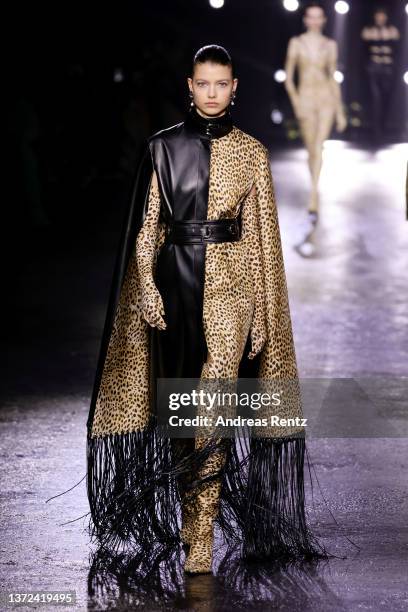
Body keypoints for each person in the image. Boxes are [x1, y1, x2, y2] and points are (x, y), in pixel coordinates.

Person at [85, 44, 328, 575]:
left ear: (235, 86)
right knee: (180, 413)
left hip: (232, 287)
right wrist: (146, 285)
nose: (213, 92)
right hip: (174, 287)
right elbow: (148, 226)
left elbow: (265, 238)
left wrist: (264, 310)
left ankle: (201, 536)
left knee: (212, 405)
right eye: (204, 83)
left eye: (222, 83)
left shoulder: (252, 152)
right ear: (190, 87)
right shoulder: (162, 149)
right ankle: (189, 516)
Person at [284, 1, 347, 223]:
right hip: (306, 100)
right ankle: (315, 187)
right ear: (305, 19)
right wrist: (296, 103)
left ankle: (313, 196)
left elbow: (332, 78)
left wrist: (340, 110)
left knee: (319, 147)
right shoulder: (296, 43)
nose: (314, 20)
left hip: (326, 99)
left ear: (324, 20)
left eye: (318, 16)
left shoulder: (330, 44)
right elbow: (289, 79)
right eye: (310, 16)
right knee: (312, 150)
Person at [360, 6, 400, 145]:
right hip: (373, 69)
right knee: (375, 99)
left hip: (388, 69)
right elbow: (364, 52)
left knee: (385, 98)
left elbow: (396, 52)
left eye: (382, 16)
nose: (380, 18)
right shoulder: (368, 31)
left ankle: (382, 128)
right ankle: (375, 131)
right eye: (378, 15)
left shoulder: (392, 31)